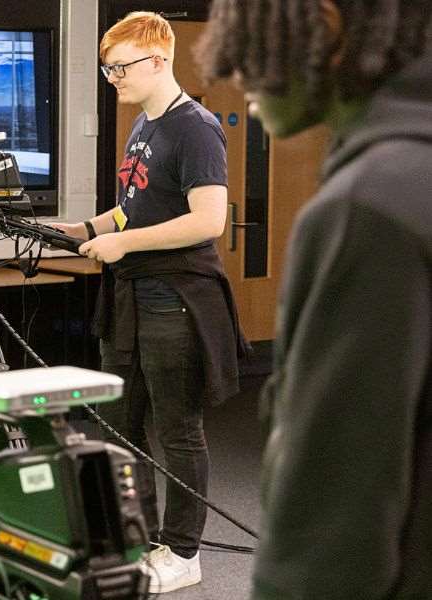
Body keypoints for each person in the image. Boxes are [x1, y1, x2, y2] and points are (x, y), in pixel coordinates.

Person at [197, 1, 432, 597]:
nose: (235, 72)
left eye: (250, 41)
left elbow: (334, 512)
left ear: (323, 29)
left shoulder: (367, 207)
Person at [51, 11, 246, 594]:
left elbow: (209, 220)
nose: (113, 78)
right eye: (108, 69)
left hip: (176, 298)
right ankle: (134, 539)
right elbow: (132, 210)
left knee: (178, 429)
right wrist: (82, 227)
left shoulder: (195, 128)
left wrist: (122, 242)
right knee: (121, 426)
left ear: (159, 59)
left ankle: (183, 552)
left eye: (120, 67)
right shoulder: (144, 126)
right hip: (130, 298)